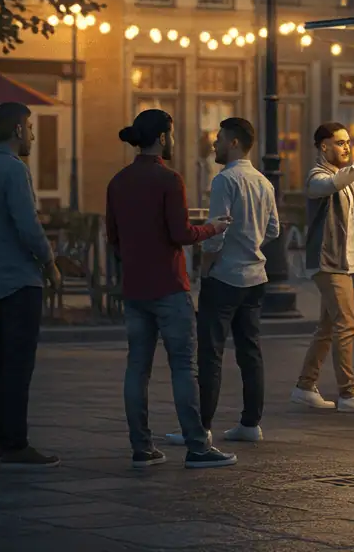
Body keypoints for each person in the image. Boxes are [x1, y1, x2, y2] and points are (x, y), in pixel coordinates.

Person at [107, 110, 237, 469]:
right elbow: (180, 234)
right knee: (184, 367)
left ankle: (141, 446)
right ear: (163, 138)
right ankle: (197, 445)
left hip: (134, 289)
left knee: (138, 368)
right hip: (168, 286)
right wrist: (212, 228)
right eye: (173, 134)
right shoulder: (169, 179)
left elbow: (113, 238)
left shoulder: (118, 181)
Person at [167, 117, 279, 446]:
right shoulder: (263, 182)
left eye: (219, 138)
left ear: (233, 143)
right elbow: (273, 230)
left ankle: (201, 427)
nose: (214, 144)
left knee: (211, 353)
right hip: (255, 276)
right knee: (250, 351)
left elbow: (217, 231)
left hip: (226, 275)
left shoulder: (224, 181)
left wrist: (206, 262)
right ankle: (250, 422)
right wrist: (252, 242)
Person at [0, 102, 61, 469]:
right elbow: (28, 225)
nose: (32, 135)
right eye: (31, 128)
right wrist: (49, 263)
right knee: (18, 364)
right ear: (18, 130)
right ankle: (17, 444)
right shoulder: (14, 171)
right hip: (19, 280)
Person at [293, 122, 354, 413]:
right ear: (323, 146)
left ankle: (304, 386)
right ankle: (348, 393)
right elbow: (328, 186)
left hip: (344, 262)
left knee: (327, 327)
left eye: (348, 142)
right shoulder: (317, 176)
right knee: (346, 324)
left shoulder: (344, 177)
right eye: (339, 142)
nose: (346, 147)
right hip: (328, 261)